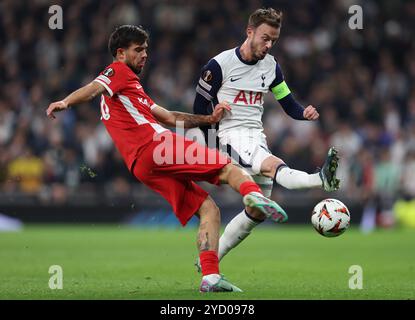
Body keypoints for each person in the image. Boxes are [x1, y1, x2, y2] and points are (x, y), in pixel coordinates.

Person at [46, 25, 288, 293]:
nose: (145, 55)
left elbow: (170, 117)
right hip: (156, 145)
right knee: (227, 167)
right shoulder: (116, 72)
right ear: (120, 53)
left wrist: (208, 119)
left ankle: (210, 276)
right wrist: (66, 102)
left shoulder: (131, 88)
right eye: (138, 50)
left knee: (209, 210)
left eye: (146, 49)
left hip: (141, 166)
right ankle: (254, 195)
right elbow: (93, 88)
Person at [193, 8, 340, 265]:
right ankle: (321, 179)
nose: (269, 44)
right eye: (265, 37)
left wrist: (303, 113)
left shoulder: (271, 67)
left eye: (274, 40)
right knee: (274, 166)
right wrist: (213, 140)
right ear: (250, 32)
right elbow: (198, 108)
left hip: (256, 138)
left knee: (256, 211)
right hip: (230, 137)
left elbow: (288, 103)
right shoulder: (219, 65)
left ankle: (209, 262)